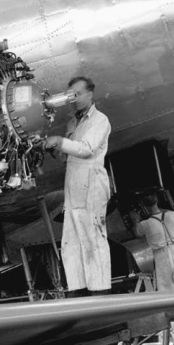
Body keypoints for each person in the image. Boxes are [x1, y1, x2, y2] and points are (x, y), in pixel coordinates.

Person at [44, 76, 113, 293]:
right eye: (70, 95)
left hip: (92, 186)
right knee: (71, 242)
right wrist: (51, 148)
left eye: (77, 94)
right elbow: (66, 158)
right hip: (74, 188)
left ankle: (101, 292)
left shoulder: (100, 120)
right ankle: (78, 289)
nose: (73, 99)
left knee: (93, 239)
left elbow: (86, 149)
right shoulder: (74, 122)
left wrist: (59, 141)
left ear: (90, 94)